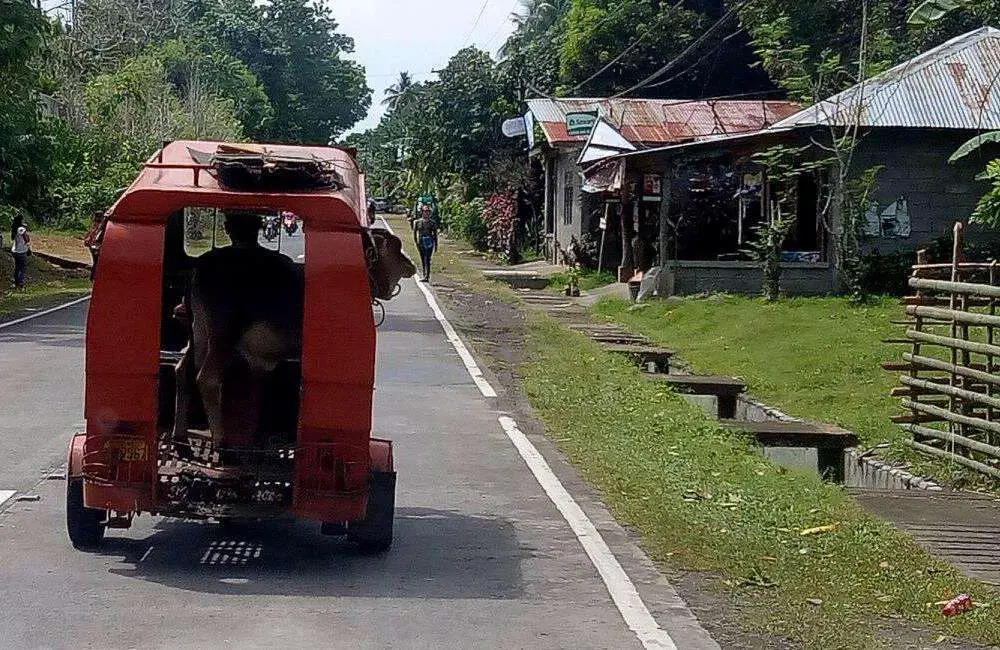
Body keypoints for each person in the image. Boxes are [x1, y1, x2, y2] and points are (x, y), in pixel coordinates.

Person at [412, 203, 438, 282]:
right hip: (421, 242)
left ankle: (427, 276)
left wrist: (436, 245)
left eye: (427, 211)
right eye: (424, 211)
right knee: (423, 259)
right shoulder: (417, 222)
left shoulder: (432, 222)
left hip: (429, 242)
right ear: (422, 212)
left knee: (427, 259)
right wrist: (416, 243)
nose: (426, 213)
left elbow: (435, 234)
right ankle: (424, 274)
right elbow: (414, 233)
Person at [83, 211, 108, 281]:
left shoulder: (95, 225)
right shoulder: (100, 226)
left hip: (93, 245)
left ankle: (93, 277)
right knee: (97, 262)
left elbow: (89, 235)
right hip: (96, 245)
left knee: (95, 261)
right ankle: (94, 277)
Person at [10, 215, 30, 290]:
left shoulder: (14, 229)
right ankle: (21, 284)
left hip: (15, 251)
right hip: (21, 251)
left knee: (17, 268)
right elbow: (27, 239)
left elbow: (12, 238)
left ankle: (16, 283)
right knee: (23, 268)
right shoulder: (21, 229)